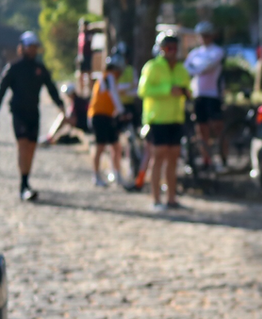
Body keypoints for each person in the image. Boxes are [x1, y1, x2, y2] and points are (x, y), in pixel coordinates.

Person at [0, 31, 64, 201]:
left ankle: (26, 180)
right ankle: (23, 185)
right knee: (23, 145)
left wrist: (60, 105)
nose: (32, 49)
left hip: (33, 113)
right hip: (19, 113)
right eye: (30, 46)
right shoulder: (13, 68)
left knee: (31, 147)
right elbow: (1, 91)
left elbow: (51, 87)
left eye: (35, 47)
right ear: (22, 48)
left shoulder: (39, 69)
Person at [138, 31, 191, 211]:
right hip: (158, 119)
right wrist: (167, 89)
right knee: (158, 156)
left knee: (174, 158)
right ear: (161, 49)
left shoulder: (181, 68)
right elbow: (143, 90)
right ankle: (155, 199)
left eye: (175, 48)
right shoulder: (152, 66)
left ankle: (171, 198)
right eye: (169, 48)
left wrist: (186, 92)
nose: (172, 51)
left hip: (175, 118)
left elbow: (188, 88)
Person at [184, 21, 227, 170]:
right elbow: (187, 69)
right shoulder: (194, 53)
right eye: (202, 35)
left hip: (213, 94)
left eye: (207, 35)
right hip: (198, 94)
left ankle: (223, 158)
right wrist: (197, 68)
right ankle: (206, 160)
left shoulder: (217, 51)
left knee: (218, 127)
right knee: (201, 129)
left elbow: (204, 68)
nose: (204, 38)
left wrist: (196, 68)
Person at [88, 55, 126, 187]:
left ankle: (116, 174)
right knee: (100, 146)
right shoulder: (109, 77)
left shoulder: (108, 78)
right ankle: (96, 175)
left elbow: (117, 90)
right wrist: (121, 111)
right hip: (99, 115)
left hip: (107, 115)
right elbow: (114, 94)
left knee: (116, 146)